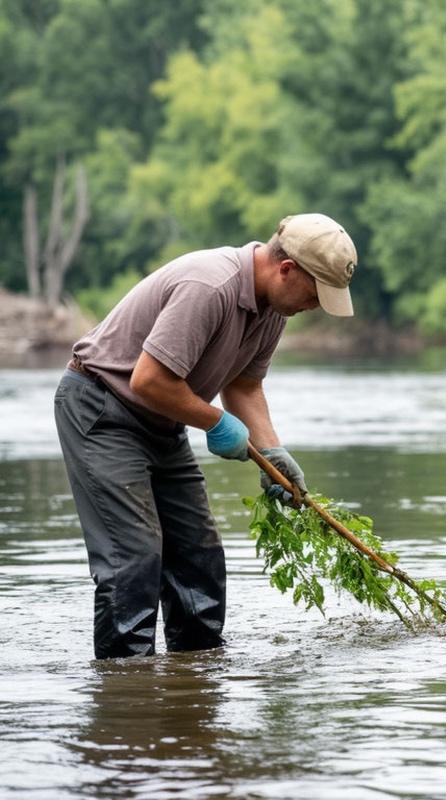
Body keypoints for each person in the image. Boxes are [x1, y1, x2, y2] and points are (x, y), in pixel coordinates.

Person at [54, 213, 358, 659]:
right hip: (103, 408)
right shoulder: (210, 286)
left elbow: (244, 385)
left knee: (200, 558)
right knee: (134, 557)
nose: (314, 307)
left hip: (162, 420)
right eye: (315, 295)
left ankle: (194, 677)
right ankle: (127, 691)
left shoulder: (274, 310)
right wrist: (216, 423)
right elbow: (149, 380)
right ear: (287, 269)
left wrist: (272, 452)